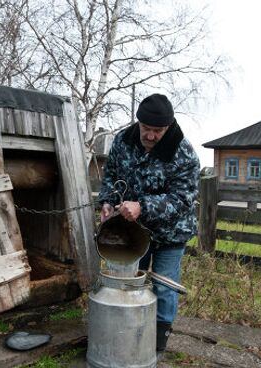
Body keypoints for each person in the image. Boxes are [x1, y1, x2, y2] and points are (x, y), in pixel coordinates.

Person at [98, 93, 200, 353]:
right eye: (146, 129)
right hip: (130, 232)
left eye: (158, 131)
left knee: (164, 287)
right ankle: (125, 333)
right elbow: (111, 175)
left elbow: (183, 199)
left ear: (168, 127)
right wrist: (108, 202)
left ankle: (157, 344)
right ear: (138, 123)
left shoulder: (184, 153)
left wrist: (143, 207)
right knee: (128, 283)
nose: (151, 136)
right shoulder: (123, 141)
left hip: (170, 234)